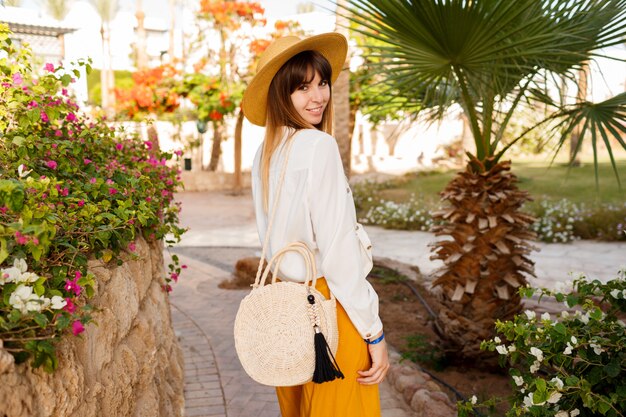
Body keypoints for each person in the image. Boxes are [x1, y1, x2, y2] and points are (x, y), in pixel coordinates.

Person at [241, 33, 389, 417]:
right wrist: (374, 331)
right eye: (302, 87)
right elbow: (339, 252)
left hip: (286, 318)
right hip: (329, 314)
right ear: (280, 93)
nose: (318, 96)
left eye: (322, 83)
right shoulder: (318, 147)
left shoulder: (265, 153)